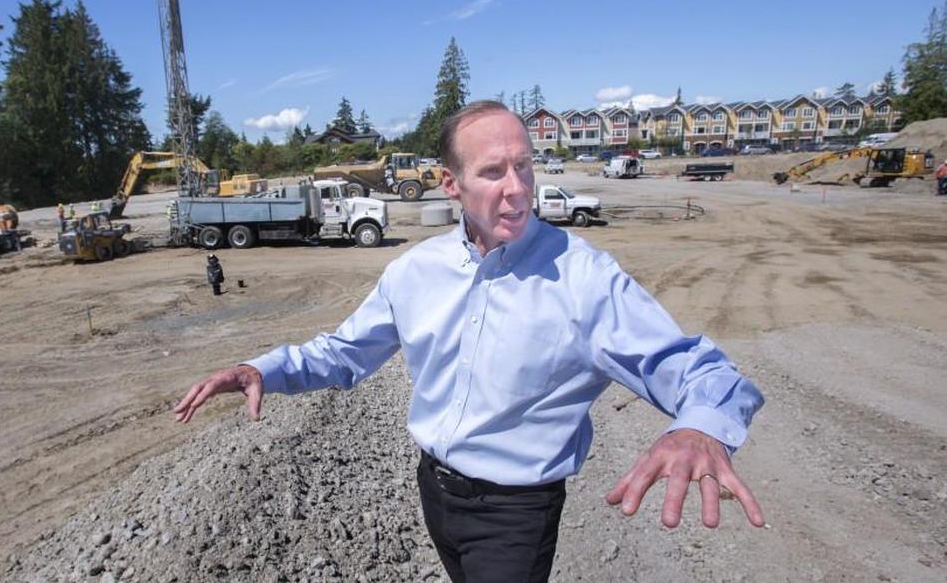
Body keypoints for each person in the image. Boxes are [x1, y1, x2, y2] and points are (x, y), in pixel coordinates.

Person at [173, 101, 765, 582]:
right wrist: (263, 369)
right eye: (493, 172)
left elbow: (694, 368)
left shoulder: (584, 280)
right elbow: (344, 352)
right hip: (435, 491)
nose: (517, 189)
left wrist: (698, 426)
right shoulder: (415, 271)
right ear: (450, 184)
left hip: (516, 514)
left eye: (525, 167)